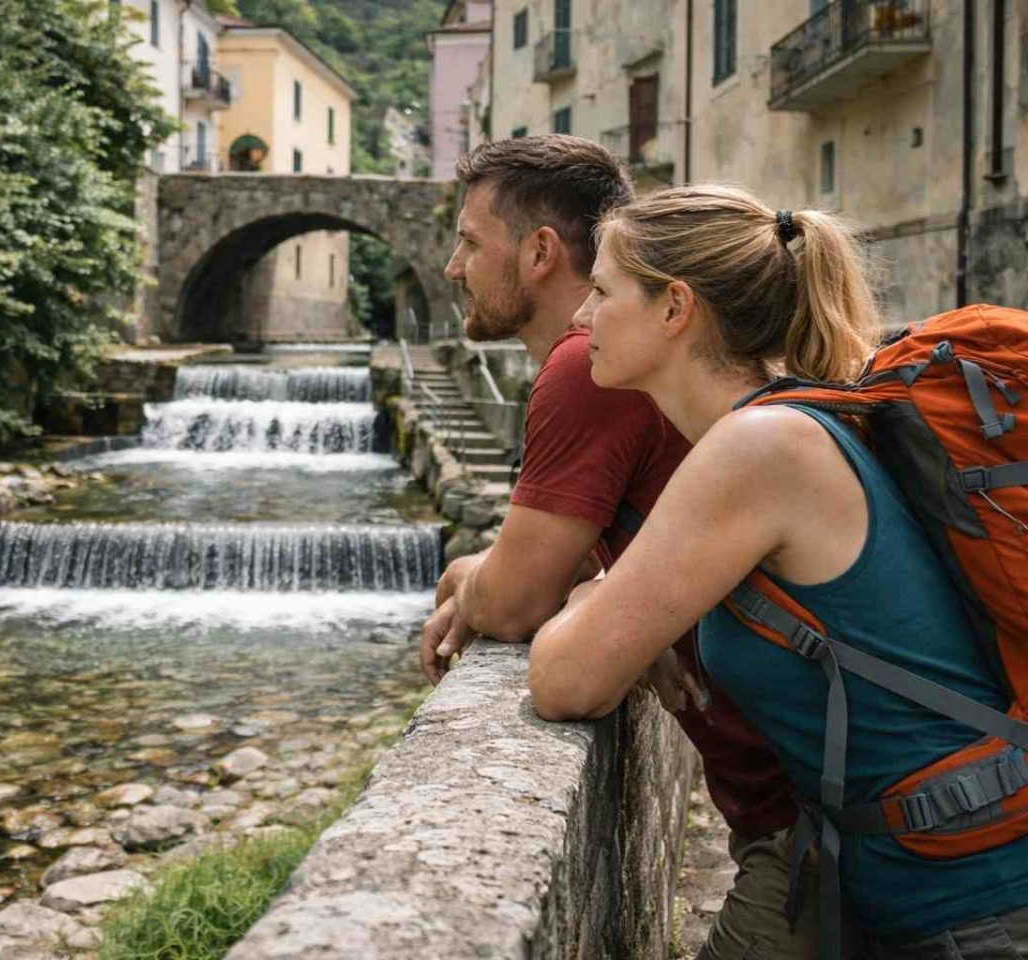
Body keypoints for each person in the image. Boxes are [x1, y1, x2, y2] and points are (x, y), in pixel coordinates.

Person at [529, 183, 1028, 958]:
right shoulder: (782, 424)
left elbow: (565, 680)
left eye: (601, 291)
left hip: (976, 906)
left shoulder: (759, 448)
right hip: (933, 885)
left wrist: (593, 598)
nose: (579, 317)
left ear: (674, 309)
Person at [421, 137, 810, 960]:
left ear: (537, 252)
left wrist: (505, 579)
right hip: (808, 818)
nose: (453, 266)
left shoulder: (596, 380)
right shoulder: (743, 414)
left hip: (826, 833)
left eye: (467, 241)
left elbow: (527, 609)